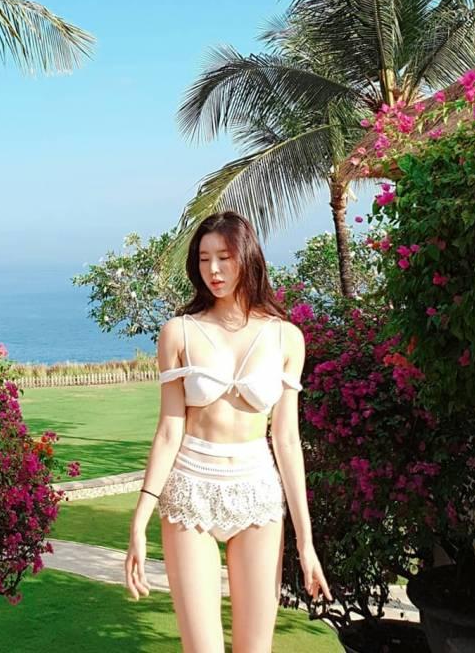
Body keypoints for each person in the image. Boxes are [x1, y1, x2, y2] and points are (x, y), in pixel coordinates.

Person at [125, 211, 331, 652]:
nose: (213, 270)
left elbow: (287, 440)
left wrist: (306, 543)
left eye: (224, 257)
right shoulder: (179, 332)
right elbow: (168, 431)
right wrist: (139, 522)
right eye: (204, 259)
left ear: (247, 257)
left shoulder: (286, 338)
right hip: (191, 492)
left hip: (258, 496)